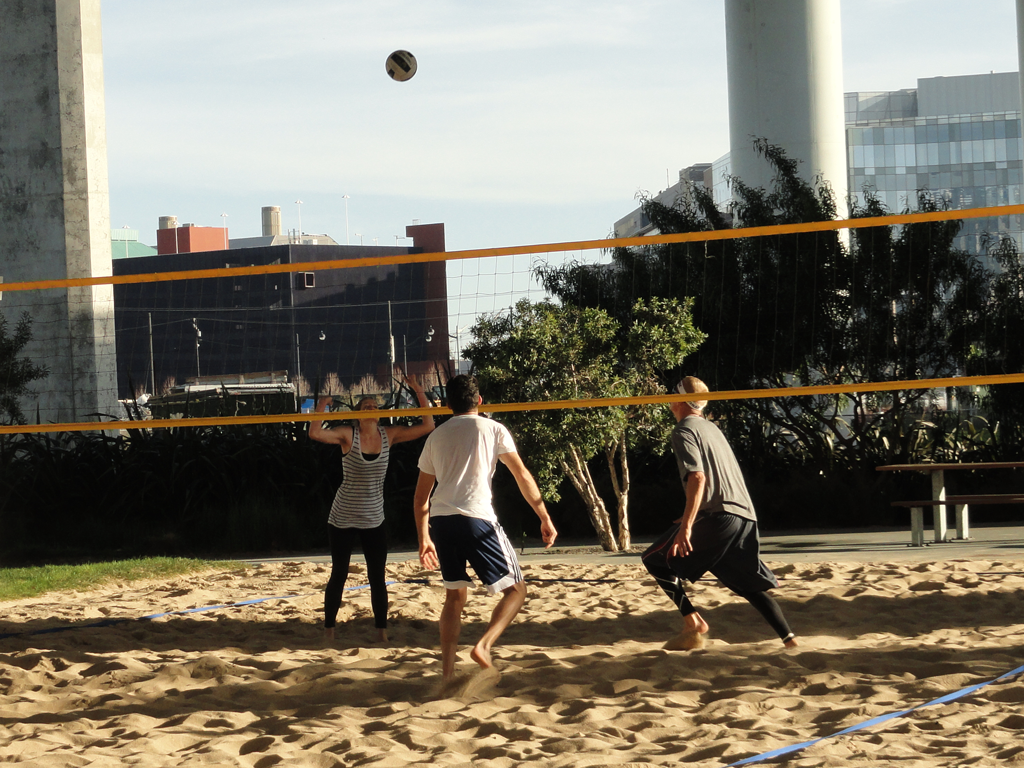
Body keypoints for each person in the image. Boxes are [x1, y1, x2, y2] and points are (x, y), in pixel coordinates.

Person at [413, 374, 558, 682]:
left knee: (454, 598)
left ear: (447, 404)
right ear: (479, 400)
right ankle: (484, 645)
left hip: (442, 521)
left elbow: (420, 498)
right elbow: (522, 475)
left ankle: (447, 675)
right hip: (476, 517)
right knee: (517, 590)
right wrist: (544, 516)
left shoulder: (436, 437)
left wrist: (424, 538)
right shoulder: (493, 428)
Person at [642, 376, 797, 650]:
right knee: (744, 584)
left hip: (719, 515)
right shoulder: (712, 428)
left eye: (672, 394)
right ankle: (790, 641)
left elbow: (698, 477)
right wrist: (691, 515)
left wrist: (687, 526)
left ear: (678, 400)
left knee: (654, 559)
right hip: (744, 516)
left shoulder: (683, 430)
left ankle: (693, 622)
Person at [310, 374, 435, 644]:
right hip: (343, 516)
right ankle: (329, 631)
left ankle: (382, 632)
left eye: (375, 406)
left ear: (379, 415)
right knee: (339, 573)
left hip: (373, 517)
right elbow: (315, 433)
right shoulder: (349, 434)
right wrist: (321, 405)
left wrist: (417, 389)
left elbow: (428, 425)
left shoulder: (388, 435)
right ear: (358, 415)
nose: (371, 408)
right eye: (366, 406)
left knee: (377, 576)